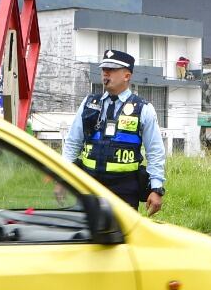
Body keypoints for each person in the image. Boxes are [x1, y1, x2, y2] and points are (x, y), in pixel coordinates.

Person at [62, 49, 166, 214]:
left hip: (124, 191)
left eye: (112, 69)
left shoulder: (143, 109)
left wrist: (156, 188)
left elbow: (155, 151)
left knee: (121, 237)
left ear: (127, 75)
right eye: (104, 69)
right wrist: (63, 177)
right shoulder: (89, 104)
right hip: (88, 186)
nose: (106, 73)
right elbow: (73, 143)